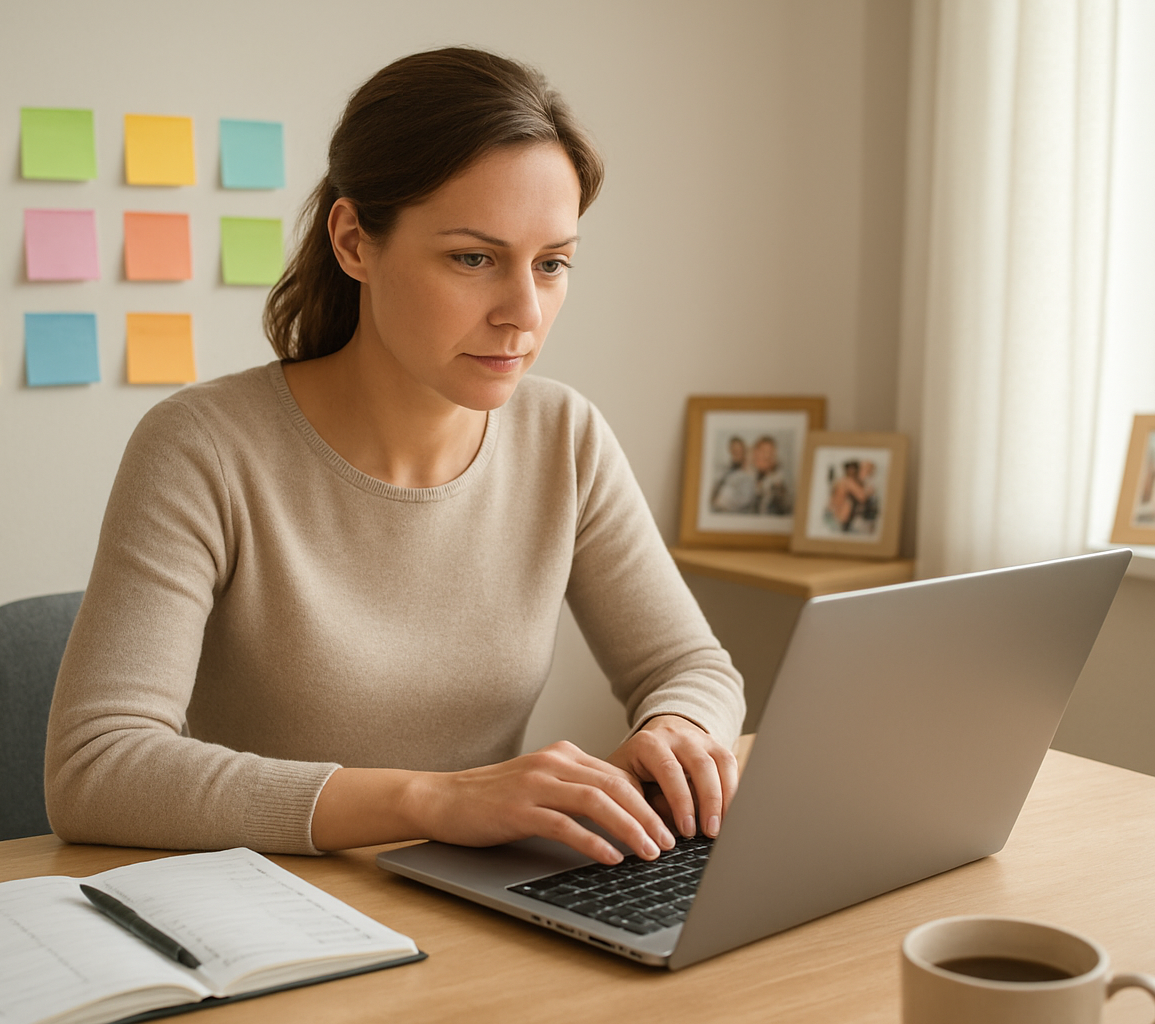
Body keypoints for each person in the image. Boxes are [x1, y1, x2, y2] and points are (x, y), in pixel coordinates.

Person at [44, 48, 745, 869]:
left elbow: (690, 665)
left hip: (482, 911)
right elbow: (97, 766)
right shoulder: (203, 447)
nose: (523, 313)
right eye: (473, 259)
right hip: (277, 920)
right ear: (354, 243)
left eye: (552, 264)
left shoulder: (566, 437)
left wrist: (680, 730)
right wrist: (433, 800)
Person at [709, 435, 757, 513]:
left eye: (739, 450)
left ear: (744, 451)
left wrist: (719, 500)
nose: (737, 453)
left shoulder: (749, 475)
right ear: (730, 450)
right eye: (734, 450)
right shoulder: (725, 470)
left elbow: (744, 500)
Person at [750, 435, 791, 515]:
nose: (766, 456)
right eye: (762, 451)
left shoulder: (778, 483)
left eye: (770, 453)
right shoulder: (751, 476)